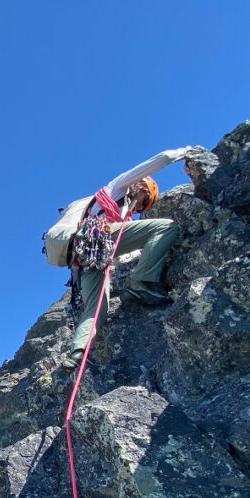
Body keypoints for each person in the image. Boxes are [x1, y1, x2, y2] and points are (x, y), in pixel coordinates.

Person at [62, 146, 195, 370]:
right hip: (100, 239)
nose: (141, 207)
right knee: (167, 227)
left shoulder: (122, 216)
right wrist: (185, 152)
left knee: (96, 309)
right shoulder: (118, 187)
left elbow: (131, 251)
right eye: (145, 201)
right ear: (143, 188)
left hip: (84, 255)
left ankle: (77, 351)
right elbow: (157, 161)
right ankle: (141, 281)